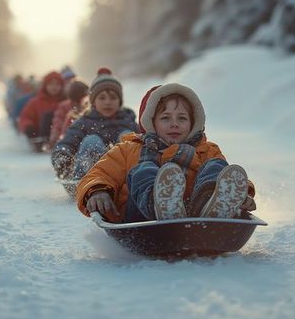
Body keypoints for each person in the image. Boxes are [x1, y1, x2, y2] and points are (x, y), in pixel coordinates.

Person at [74, 83, 257, 223]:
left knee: (216, 166)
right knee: (142, 170)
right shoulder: (129, 149)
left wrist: (241, 194)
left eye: (182, 118)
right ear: (151, 122)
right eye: (165, 118)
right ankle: (159, 204)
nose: (174, 124)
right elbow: (99, 174)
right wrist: (97, 191)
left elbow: (227, 176)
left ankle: (211, 206)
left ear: (193, 123)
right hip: (141, 219)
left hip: (198, 216)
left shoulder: (206, 150)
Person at [51, 67, 139, 181]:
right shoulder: (84, 122)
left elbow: (145, 142)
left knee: (128, 137)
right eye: (102, 98)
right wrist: (62, 157)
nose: (108, 102)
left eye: (113, 98)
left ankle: (133, 177)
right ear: (93, 102)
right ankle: (90, 179)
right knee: (92, 141)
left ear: (120, 102)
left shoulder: (128, 121)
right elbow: (67, 143)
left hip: (121, 176)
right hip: (88, 177)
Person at [17, 71, 66, 147]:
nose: (54, 87)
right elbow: (25, 117)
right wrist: (28, 127)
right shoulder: (36, 102)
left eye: (57, 84)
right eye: (51, 84)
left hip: (61, 137)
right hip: (40, 136)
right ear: (45, 86)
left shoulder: (66, 101)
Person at [48, 80, 89, 150]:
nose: (79, 105)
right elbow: (58, 122)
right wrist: (55, 136)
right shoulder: (67, 111)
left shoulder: (91, 110)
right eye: (76, 102)